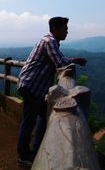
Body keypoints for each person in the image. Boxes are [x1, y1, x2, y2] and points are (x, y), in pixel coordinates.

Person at [16, 17, 86, 168]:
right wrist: (76, 60)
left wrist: (74, 60)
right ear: (55, 29)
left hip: (34, 86)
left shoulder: (50, 41)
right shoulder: (49, 41)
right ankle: (23, 155)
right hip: (32, 85)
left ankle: (35, 150)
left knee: (44, 117)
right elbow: (60, 62)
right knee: (30, 120)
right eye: (65, 28)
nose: (67, 31)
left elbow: (58, 60)